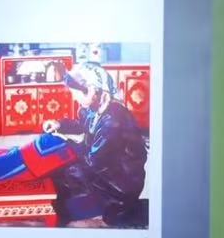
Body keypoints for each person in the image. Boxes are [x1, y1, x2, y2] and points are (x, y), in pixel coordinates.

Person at [42, 62, 148, 227]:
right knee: (61, 173)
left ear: (92, 90)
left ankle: (111, 209)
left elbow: (94, 160)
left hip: (120, 183)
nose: (74, 97)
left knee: (66, 172)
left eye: (76, 93)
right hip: (105, 171)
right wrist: (59, 125)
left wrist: (67, 143)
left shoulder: (113, 119)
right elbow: (81, 125)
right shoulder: (91, 109)